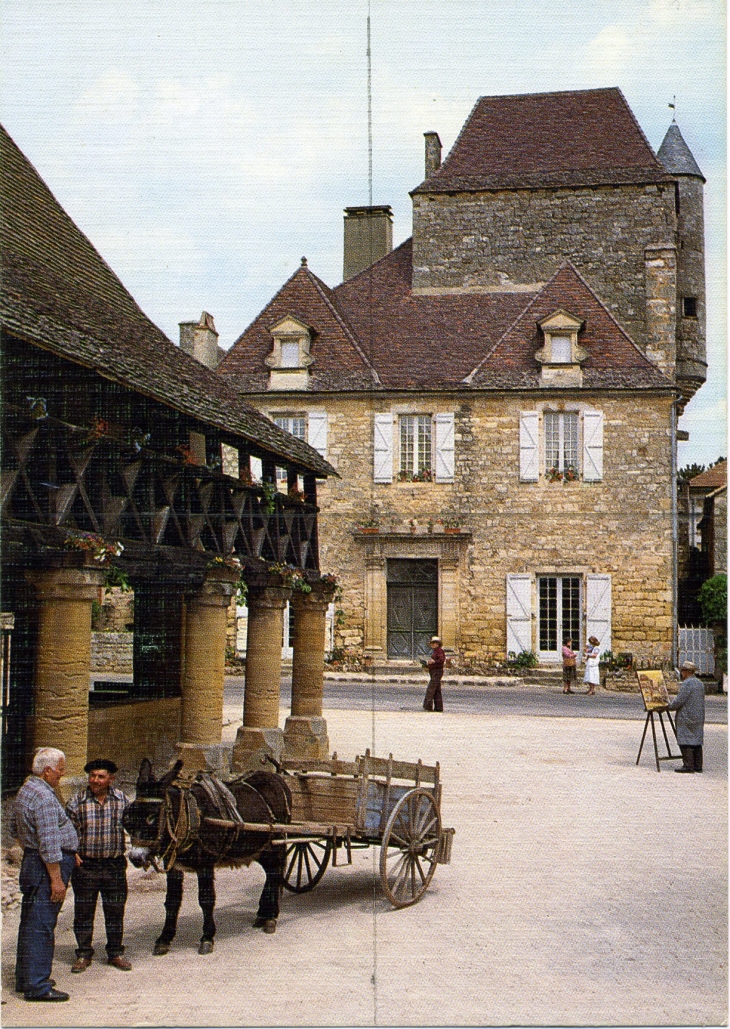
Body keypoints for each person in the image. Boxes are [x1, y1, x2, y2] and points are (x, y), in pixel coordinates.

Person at [10, 747, 78, 1002]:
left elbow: (13, 828)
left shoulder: (26, 790)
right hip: (45, 865)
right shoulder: (44, 797)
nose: (62, 774)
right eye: (60, 770)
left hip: (32, 861)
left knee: (30, 923)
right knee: (42, 926)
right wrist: (56, 878)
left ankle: (26, 977)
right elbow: (49, 843)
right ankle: (38, 986)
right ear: (47, 771)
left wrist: (30, 846)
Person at [66, 758, 132, 972]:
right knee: (84, 911)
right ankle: (84, 954)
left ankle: (115, 953)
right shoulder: (77, 802)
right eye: (92, 776)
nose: (95, 780)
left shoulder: (122, 800)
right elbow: (67, 833)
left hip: (114, 866)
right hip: (86, 867)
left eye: (100, 776)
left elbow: (133, 827)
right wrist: (72, 853)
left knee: (115, 911)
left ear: (110, 779)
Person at [668, 661, 706, 773]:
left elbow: (679, 701)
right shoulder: (700, 683)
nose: (681, 673)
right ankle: (698, 765)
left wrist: (669, 706)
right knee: (697, 740)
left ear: (686, 672)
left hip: (686, 716)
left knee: (685, 739)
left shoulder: (687, 684)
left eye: (682, 671)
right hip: (698, 716)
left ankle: (688, 765)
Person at [423, 636, 446, 712]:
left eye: (434, 643)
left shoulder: (439, 651)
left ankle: (428, 706)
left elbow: (441, 660)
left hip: (437, 672)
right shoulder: (436, 651)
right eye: (432, 643)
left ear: (437, 644)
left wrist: (433, 662)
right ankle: (438, 707)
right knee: (436, 690)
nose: (432, 645)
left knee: (431, 689)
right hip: (435, 671)